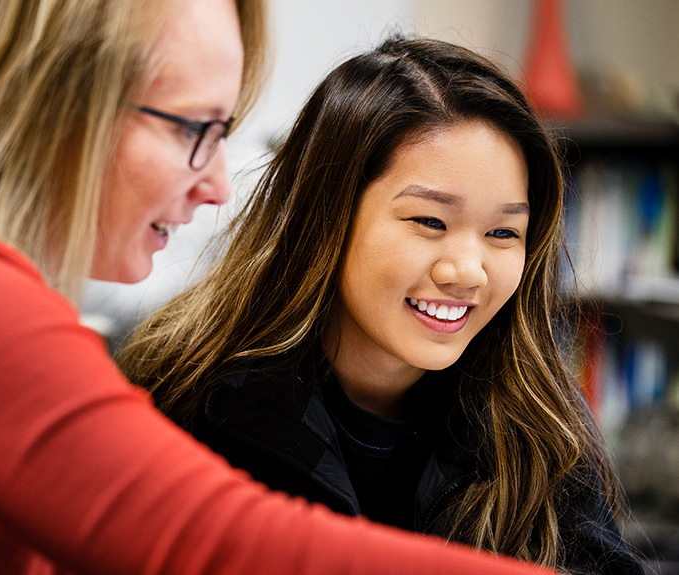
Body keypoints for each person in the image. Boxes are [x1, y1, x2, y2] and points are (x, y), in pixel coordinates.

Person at [0, 1, 557, 574]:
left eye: (503, 233)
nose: (218, 184)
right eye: (192, 129)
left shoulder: (531, 417)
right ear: (49, 101)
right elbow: (211, 540)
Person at [118, 37, 646, 575]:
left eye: (502, 232)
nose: (468, 271)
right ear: (327, 214)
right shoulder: (186, 396)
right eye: (429, 222)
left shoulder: (536, 415)